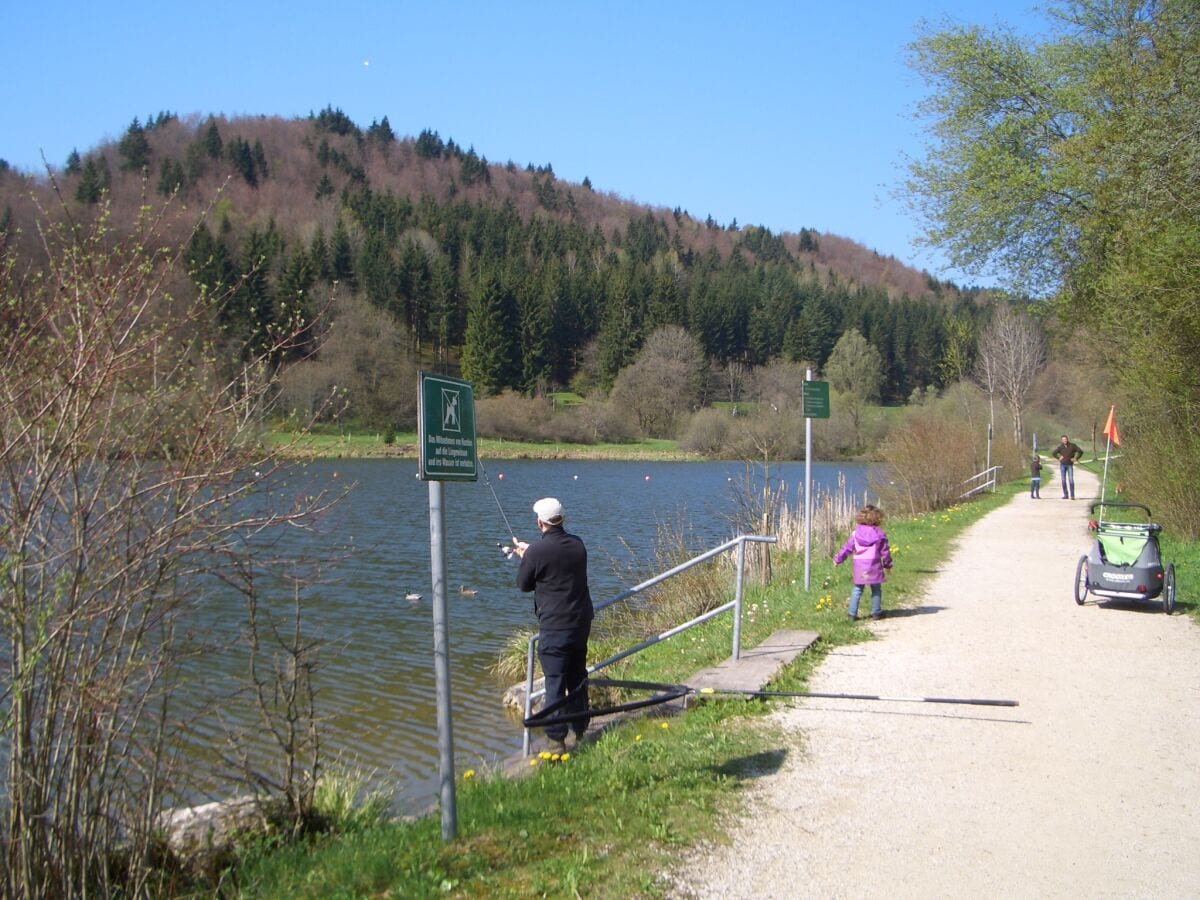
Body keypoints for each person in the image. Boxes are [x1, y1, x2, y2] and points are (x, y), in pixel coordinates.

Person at [513, 497, 593, 754]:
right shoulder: (578, 544)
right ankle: (581, 730)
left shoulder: (536, 552)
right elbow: (556, 563)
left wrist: (526, 557)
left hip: (555, 626)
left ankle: (557, 741)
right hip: (580, 623)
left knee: (555, 682)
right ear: (562, 519)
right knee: (578, 676)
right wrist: (531, 555)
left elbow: (524, 584)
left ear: (540, 522)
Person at [834, 504, 893, 621]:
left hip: (859, 565)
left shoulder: (856, 534)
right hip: (874, 564)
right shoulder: (880, 534)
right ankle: (876, 612)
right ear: (878, 519)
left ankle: (852, 614)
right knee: (876, 588)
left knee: (857, 589)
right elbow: (885, 552)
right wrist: (888, 564)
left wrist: (838, 559)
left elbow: (847, 548)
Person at [1052, 434, 1083, 499]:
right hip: (1062, 465)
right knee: (1063, 480)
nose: (1064, 440)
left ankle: (1072, 495)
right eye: (1063, 440)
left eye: (1065, 439)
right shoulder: (1060, 447)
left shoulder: (1072, 446)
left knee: (1071, 480)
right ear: (1061, 440)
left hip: (1069, 465)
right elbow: (1053, 453)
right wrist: (1058, 458)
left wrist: (1076, 458)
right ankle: (1066, 495)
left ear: (1067, 439)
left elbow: (1080, 452)